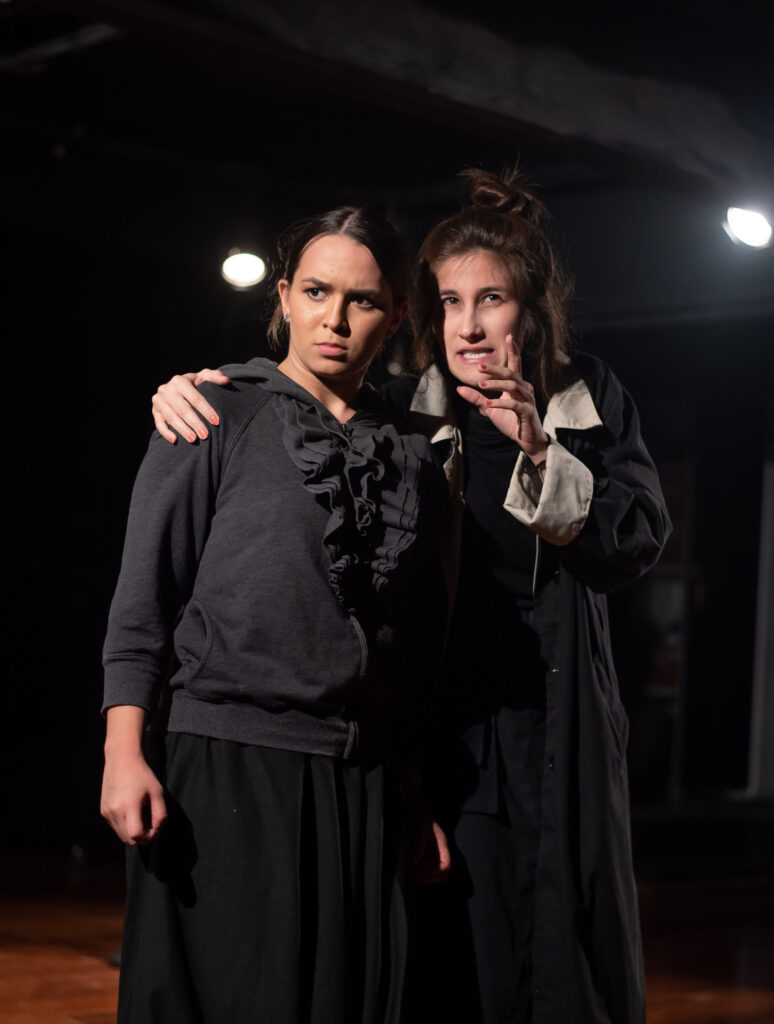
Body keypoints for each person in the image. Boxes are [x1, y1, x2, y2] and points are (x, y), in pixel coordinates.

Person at [149, 169, 671, 1024]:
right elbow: (296, 404)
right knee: (452, 956)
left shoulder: (586, 395)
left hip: (560, 722)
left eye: (490, 298)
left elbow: (636, 540)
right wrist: (199, 387)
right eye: (448, 301)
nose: (469, 325)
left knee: (567, 954)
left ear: (528, 309)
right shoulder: (402, 412)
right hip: (448, 729)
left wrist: (540, 451)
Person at [101, 205, 450, 1024]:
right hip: (229, 762)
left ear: (397, 314)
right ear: (285, 296)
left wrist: (414, 795)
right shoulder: (211, 414)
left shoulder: (411, 455)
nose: (335, 319)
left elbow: (404, 653)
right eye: (317, 292)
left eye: (363, 300)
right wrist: (122, 752)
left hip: (358, 779)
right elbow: (143, 603)